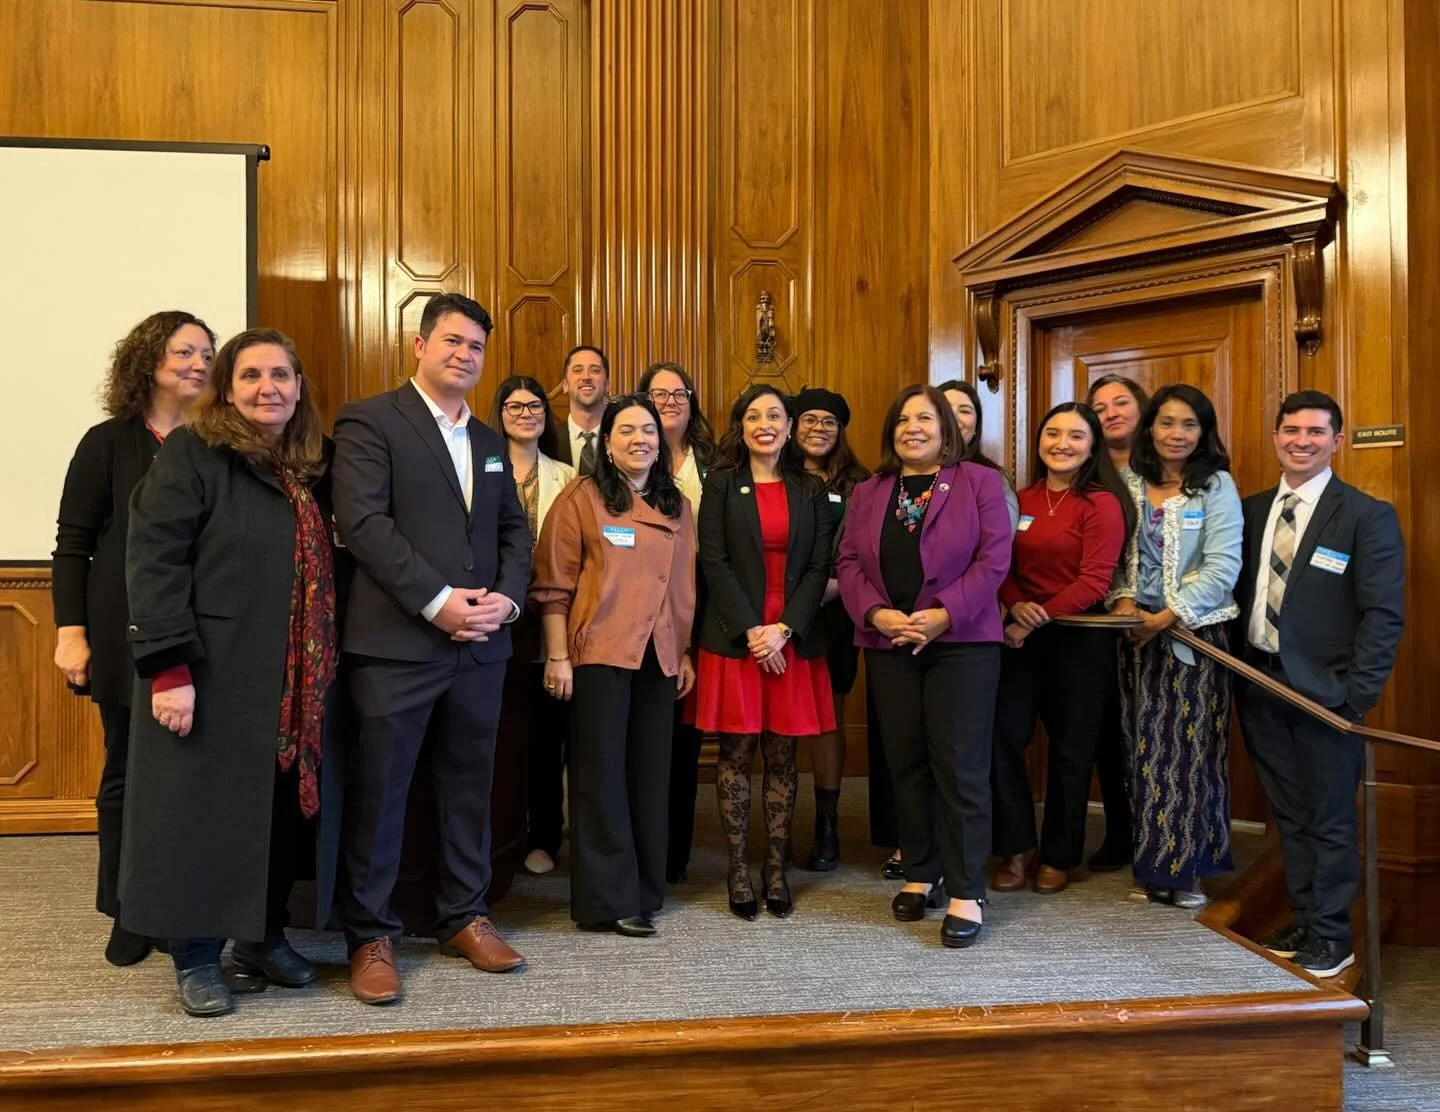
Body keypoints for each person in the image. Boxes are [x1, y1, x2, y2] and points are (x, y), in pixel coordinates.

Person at [122, 328, 343, 1017]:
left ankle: (260, 937)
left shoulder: (308, 463)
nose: (266, 388)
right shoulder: (195, 453)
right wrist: (168, 670)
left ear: (299, 387)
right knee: (197, 816)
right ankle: (195, 954)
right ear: (227, 387)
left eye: (281, 374)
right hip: (208, 675)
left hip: (290, 686)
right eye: (249, 376)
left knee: (274, 817)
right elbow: (154, 557)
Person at [332, 292, 532, 1005]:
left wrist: (506, 600)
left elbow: (514, 529)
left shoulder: (487, 443)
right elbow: (363, 524)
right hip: (399, 645)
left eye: (475, 347)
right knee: (382, 795)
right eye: (451, 341)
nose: (463, 355)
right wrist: (440, 602)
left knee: (467, 791)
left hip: (481, 648)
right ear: (419, 346)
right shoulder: (369, 420)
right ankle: (370, 933)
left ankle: (463, 914)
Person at [51, 310, 215, 967]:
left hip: (201, 638)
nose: (199, 364)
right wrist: (70, 634)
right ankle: (125, 909)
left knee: (190, 779)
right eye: (184, 353)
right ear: (149, 361)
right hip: (121, 641)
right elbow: (72, 547)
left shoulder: (217, 442)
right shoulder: (107, 442)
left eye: (207, 354)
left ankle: (184, 905)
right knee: (125, 773)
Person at [1234, 391, 1404, 978]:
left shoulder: (1365, 515)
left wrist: (1355, 696)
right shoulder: (1252, 510)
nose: (1300, 440)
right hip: (1259, 685)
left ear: (1335, 441)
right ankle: (1306, 919)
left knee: (1330, 818)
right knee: (1291, 814)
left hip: (1327, 697)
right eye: (1290, 430)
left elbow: (1383, 616)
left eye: (1315, 432)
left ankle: (1333, 937)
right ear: (1276, 436)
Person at [837, 384, 1011, 948]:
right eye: (903, 418)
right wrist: (876, 614)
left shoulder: (980, 482)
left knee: (959, 765)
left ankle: (966, 889)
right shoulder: (870, 490)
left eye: (926, 418)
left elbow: (994, 558)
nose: (913, 427)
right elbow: (849, 561)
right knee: (905, 763)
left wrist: (944, 614)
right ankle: (921, 870)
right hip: (889, 644)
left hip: (961, 644)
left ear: (947, 429)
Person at [531, 395, 697, 936]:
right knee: (600, 777)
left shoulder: (679, 506)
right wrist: (558, 655)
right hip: (599, 653)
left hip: (661, 655)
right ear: (607, 442)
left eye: (648, 430)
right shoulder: (583, 497)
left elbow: (683, 588)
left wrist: (685, 651)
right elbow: (554, 585)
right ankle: (608, 898)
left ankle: (645, 890)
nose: (639, 440)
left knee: (650, 776)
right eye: (626, 430)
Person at [695, 384, 835, 920]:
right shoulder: (722, 484)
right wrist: (755, 630)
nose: (764, 423)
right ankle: (736, 866)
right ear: (741, 425)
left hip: (792, 637)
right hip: (737, 636)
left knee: (782, 755)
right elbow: (714, 562)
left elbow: (821, 566)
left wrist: (784, 630)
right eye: (753, 415)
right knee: (735, 754)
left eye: (774, 415)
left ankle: (775, 866)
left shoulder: (810, 488)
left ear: (790, 425)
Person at [1108, 384, 1242, 910]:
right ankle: (1151, 865)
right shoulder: (1127, 482)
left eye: (1190, 425)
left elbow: (1223, 565)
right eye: (1167, 423)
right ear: (1150, 429)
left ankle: (1186, 870)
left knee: (1189, 754)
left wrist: (1167, 615)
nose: (1177, 434)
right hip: (1133, 638)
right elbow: (1116, 557)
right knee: (1142, 751)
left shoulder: (1217, 486)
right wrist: (1122, 603)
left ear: (1204, 433)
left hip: (1195, 637)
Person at [990, 403, 1132, 895]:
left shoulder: (1100, 503)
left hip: (1079, 642)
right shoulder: (1020, 497)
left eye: (1075, 435)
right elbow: (998, 564)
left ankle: (1058, 855)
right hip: (1017, 638)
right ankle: (1015, 847)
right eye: (1052, 433)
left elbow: (1095, 581)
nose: (1062, 443)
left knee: (1072, 753)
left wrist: (1036, 617)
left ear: (1092, 445)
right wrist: (1015, 606)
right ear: (1039, 440)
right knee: (1003, 740)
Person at [489, 376, 576, 878]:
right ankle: (503, 833)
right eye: (515, 405)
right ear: (499, 412)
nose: (526, 412)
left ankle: (544, 834)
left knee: (546, 736)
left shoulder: (565, 475)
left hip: (547, 622)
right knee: (501, 734)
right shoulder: (481, 466)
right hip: (495, 619)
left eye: (535, 404)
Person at [635, 362, 717, 884]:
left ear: (692, 401)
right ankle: (641, 845)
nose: (669, 400)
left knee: (684, 730)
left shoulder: (713, 463)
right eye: (657, 393)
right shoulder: (626, 454)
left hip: (704, 601)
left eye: (678, 392)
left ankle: (674, 853)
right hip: (641, 603)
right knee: (642, 729)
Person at [793, 386, 869, 871]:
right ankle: (775, 821)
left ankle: (826, 824)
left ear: (840, 429)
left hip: (835, 614)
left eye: (828, 421)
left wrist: (836, 588)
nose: (818, 428)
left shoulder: (862, 483)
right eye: (808, 419)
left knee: (827, 717)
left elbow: (863, 549)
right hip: (776, 617)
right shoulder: (769, 473)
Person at [1080, 373, 1151, 873]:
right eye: (1099, 407)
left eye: (1121, 402)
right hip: (1102, 621)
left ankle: (1162, 834)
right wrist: (1118, 600)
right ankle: (1121, 832)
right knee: (1109, 732)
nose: (1111, 413)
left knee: (1157, 734)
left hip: (1165, 619)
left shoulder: (1164, 470)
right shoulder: (1090, 475)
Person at [938, 379, 1020, 531]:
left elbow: (1001, 541)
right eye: (945, 409)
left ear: (976, 426)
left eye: (964, 411)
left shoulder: (993, 477)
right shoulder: (909, 471)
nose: (954, 417)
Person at [553, 345, 610, 475]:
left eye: (595, 370)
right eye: (577, 370)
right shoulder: (547, 442)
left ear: (607, 384)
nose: (586, 377)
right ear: (565, 385)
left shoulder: (622, 439)